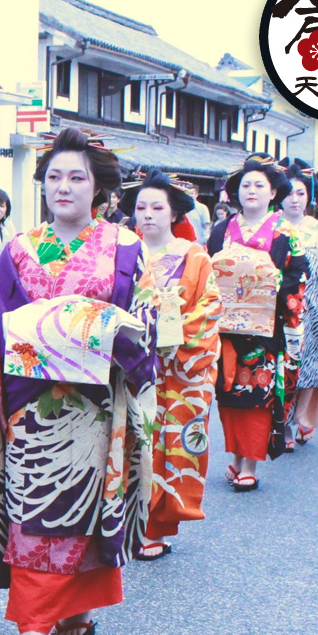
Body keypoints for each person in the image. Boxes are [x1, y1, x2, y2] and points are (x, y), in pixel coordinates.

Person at [0, 128, 155, 635]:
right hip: (34, 400)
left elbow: (142, 313)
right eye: (54, 176)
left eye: (76, 177)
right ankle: (33, 621)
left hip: (98, 395)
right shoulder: (19, 249)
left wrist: (121, 347)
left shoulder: (125, 247)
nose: (64, 186)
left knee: (90, 501)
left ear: (97, 188)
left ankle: (74, 608)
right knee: (39, 503)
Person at [123, 171, 220, 560]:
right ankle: (125, 521)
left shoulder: (194, 256)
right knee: (129, 440)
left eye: (156, 207)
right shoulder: (123, 251)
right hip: (130, 362)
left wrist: (172, 338)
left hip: (178, 368)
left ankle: (155, 526)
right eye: (141, 207)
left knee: (166, 442)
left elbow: (210, 309)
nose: (147, 215)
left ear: (174, 212)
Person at [207, 154, 307, 492]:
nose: (251, 191)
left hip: (265, 327)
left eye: (259, 185)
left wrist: (274, 285)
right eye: (245, 185)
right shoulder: (222, 229)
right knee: (228, 392)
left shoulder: (285, 233)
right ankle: (235, 457)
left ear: (273, 193)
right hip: (226, 326)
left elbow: (298, 273)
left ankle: (249, 462)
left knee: (257, 392)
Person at [277, 161, 318, 445]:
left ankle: (303, 417)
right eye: (289, 193)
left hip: (313, 306)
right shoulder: (272, 225)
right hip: (282, 302)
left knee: (309, 364)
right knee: (283, 363)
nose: (295, 199)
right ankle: (284, 426)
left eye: (301, 194)